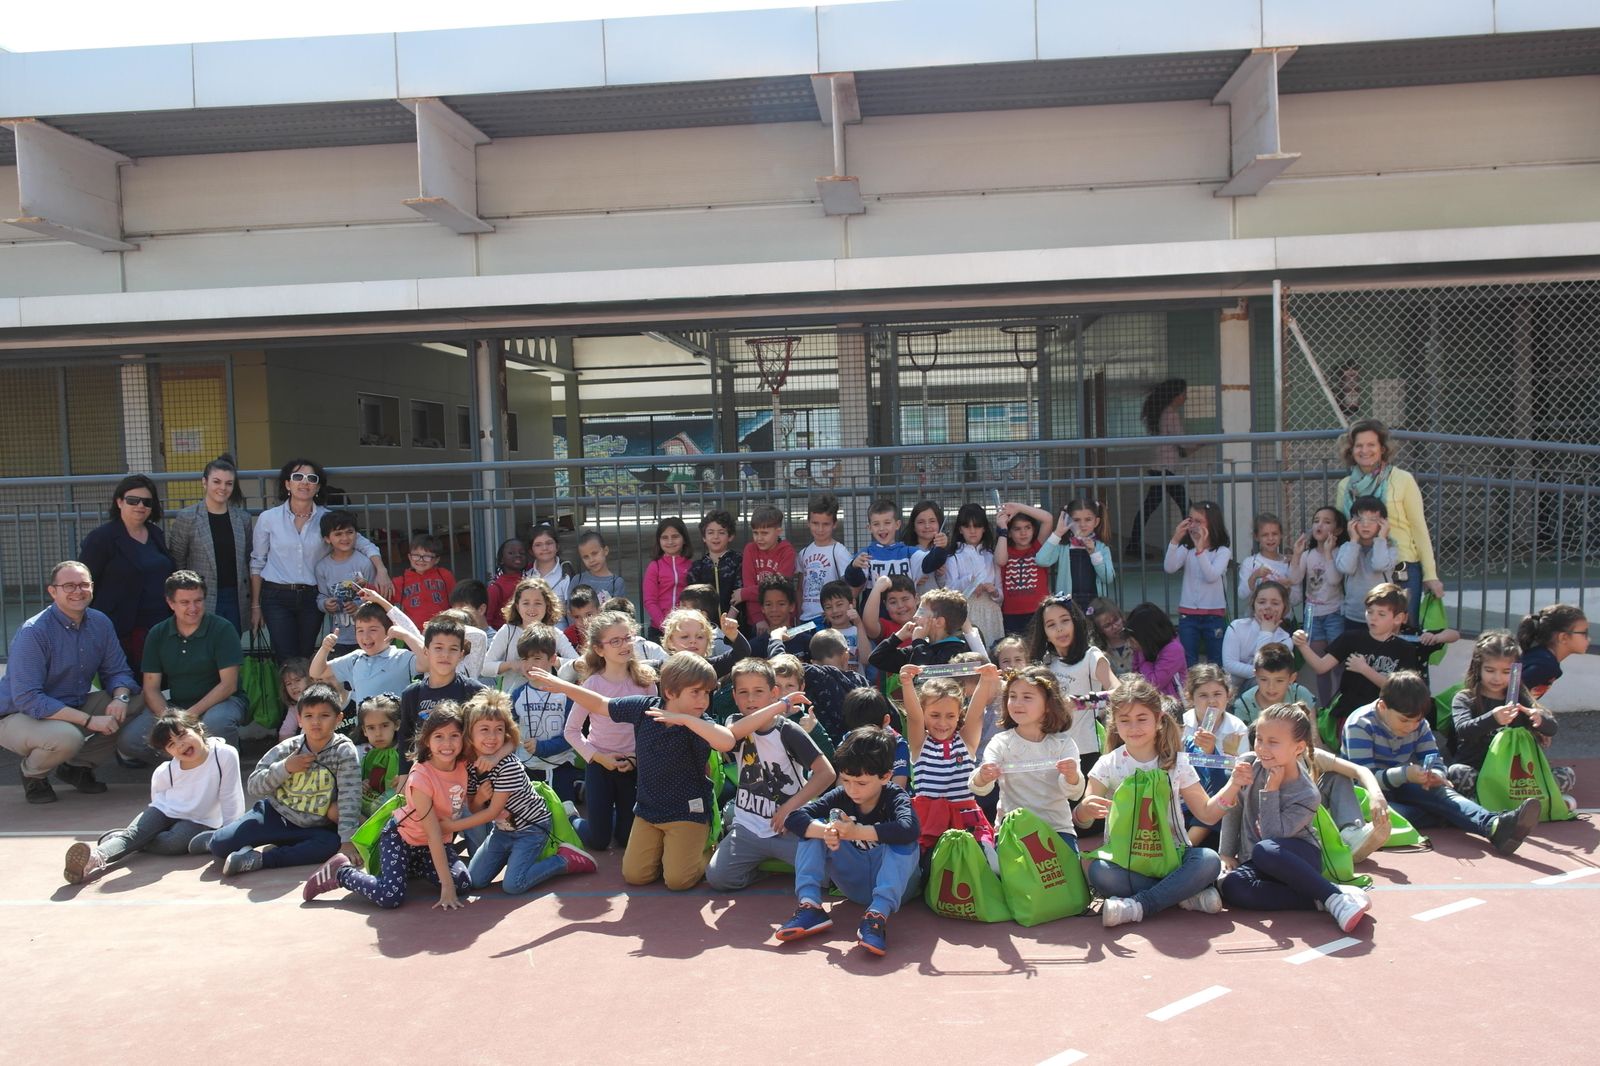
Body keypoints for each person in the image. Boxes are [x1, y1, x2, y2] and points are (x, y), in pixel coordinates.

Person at [530, 654, 737, 891]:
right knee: (635, 875)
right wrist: (562, 685)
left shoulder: (701, 722)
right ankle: (671, 853)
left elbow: (727, 741)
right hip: (649, 811)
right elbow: (600, 704)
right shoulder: (644, 708)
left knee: (678, 881)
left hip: (688, 812)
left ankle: (708, 849)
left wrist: (683, 719)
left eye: (706, 693)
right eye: (695, 693)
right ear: (670, 692)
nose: (703, 701)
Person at [1078, 675, 1241, 928]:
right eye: (1125, 720)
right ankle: (1185, 895)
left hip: (1173, 856)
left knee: (1208, 860)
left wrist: (1234, 785)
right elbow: (1083, 817)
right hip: (1127, 860)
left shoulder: (1177, 762)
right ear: (1115, 724)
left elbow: (1207, 814)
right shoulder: (1108, 764)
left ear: (1158, 720)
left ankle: (1139, 905)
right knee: (1098, 871)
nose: (1134, 727)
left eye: (1142, 719)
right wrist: (1085, 810)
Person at [1343, 671, 1540, 855]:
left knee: (1441, 793)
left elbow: (1433, 756)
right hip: (1365, 795)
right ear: (1383, 706)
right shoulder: (1360, 724)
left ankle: (1495, 825)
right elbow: (1364, 780)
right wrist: (1406, 774)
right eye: (1404, 721)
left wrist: (1437, 774)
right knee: (1394, 816)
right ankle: (1451, 814)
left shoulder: (1419, 723)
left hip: (1402, 783)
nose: (1412, 728)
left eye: (1417, 721)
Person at [1218, 703, 1373, 931]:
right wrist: (1226, 853)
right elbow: (1233, 807)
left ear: (1298, 748)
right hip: (1256, 859)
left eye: (1273, 742)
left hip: (1297, 858)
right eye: (1259, 739)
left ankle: (1335, 898)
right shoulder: (1250, 763)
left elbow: (1272, 836)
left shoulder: (1307, 794)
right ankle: (1320, 897)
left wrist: (1271, 790)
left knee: (1265, 849)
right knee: (1233, 887)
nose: (1262, 748)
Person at [301, 702, 471, 909]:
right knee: (390, 896)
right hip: (401, 838)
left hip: (429, 846)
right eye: (439, 736)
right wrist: (446, 887)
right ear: (426, 741)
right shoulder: (420, 777)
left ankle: (410, 867)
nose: (448, 743)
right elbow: (433, 832)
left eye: (454, 735)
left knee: (462, 882)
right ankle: (341, 872)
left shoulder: (463, 765)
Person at [0, 561, 143, 803]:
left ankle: (77, 767)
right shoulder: (34, 632)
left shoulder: (100, 622)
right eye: (68, 585)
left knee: (137, 702)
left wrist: (120, 697)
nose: (78, 591)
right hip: (18, 715)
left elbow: (117, 670)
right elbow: (29, 698)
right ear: (52, 591)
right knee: (68, 737)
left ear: (92, 587)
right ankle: (33, 775)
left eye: (83, 584)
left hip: (70, 703)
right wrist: (89, 720)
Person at [773, 726, 922, 956]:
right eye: (846, 780)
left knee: (904, 839)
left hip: (900, 889)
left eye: (861, 783)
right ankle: (810, 906)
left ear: (885, 776)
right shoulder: (841, 796)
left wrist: (856, 832)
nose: (852, 789)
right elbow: (793, 818)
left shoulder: (894, 796)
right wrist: (828, 831)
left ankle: (876, 916)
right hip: (854, 885)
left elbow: (909, 828)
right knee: (813, 828)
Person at [62, 713, 245, 884]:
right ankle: (92, 860)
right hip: (165, 810)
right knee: (136, 833)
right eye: (171, 744)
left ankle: (123, 839)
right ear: (168, 752)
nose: (179, 745)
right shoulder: (165, 771)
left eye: (182, 735)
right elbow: (158, 798)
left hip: (199, 820)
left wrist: (231, 835)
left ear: (198, 729)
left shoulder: (224, 754)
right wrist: (149, 825)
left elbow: (231, 796)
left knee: (172, 843)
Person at [705, 659, 835, 892]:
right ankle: (758, 868)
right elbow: (731, 737)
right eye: (743, 693)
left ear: (774, 693)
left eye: (758, 692)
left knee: (829, 878)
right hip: (747, 827)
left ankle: (791, 858)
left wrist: (789, 809)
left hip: (787, 826)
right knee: (718, 878)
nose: (751, 699)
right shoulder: (735, 724)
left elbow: (826, 773)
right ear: (734, 696)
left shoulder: (788, 731)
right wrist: (780, 705)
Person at [208, 682, 362, 876]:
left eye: (324, 716)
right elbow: (254, 786)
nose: (316, 722)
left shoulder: (344, 751)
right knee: (220, 846)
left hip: (315, 825)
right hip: (275, 814)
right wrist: (286, 768)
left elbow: (350, 797)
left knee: (331, 845)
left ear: (338, 718)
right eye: (308, 716)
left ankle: (259, 860)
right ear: (299, 719)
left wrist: (347, 841)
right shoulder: (288, 748)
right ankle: (216, 837)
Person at [454, 690, 596, 896]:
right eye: (484, 729)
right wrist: (479, 798)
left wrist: (452, 826)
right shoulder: (469, 766)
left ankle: (564, 859)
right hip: (503, 831)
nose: (492, 737)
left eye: (498, 730)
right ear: (470, 734)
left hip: (531, 829)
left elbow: (492, 812)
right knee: (475, 880)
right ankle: (513, 857)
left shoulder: (508, 765)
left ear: (505, 733)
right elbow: (474, 807)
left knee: (513, 885)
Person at [250, 458, 392, 661]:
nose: (304, 482)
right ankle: (288, 694)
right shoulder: (268, 518)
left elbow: (363, 544)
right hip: (276, 596)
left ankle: (309, 693)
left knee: (308, 654)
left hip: (311, 596)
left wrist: (381, 570)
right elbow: (257, 561)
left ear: (317, 487)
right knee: (285, 657)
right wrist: (255, 605)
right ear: (287, 484)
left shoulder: (327, 519)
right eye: (298, 477)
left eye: (311, 478)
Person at [120, 570, 248, 763]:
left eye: (198, 600)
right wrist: (169, 722)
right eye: (185, 602)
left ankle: (221, 765)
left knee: (217, 723)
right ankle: (183, 764)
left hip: (222, 702)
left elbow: (228, 685)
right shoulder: (158, 633)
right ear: (170, 603)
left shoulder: (222, 629)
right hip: (176, 706)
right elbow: (151, 688)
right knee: (129, 741)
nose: (193, 608)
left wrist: (187, 718)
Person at [1447, 631, 1575, 805]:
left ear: (1515, 672)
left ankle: (1519, 802)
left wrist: (1540, 719)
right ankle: (1534, 802)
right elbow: (1463, 730)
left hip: (1517, 778)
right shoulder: (1464, 698)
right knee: (1457, 772)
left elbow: (1552, 729)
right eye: (1490, 670)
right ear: (1478, 668)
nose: (1497, 678)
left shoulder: (1520, 698)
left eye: (1506, 671)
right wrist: (1493, 718)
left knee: (1567, 774)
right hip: (1481, 771)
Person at [1334, 419, 1444, 620]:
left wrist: (1430, 574)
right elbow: (1341, 531)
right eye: (1359, 445)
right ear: (1351, 450)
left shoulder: (1402, 479)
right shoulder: (1345, 486)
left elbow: (1419, 528)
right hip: (1362, 571)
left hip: (1401, 569)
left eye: (1371, 445)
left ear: (1382, 449)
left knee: (1402, 632)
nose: (1364, 450)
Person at [969, 665, 1086, 846]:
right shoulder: (1000, 742)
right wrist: (982, 777)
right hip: (1013, 830)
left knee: (1065, 874)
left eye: (1027, 697)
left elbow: (1074, 793)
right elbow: (979, 788)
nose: (1017, 703)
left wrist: (1072, 776)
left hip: (1056, 828)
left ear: (1048, 705)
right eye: (1012, 696)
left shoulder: (1064, 743)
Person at [563, 610, 649, 851]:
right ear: (600, 649)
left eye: (628, 637)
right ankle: (572, 818)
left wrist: (635, 759)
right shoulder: (592, 684)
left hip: (632, 767)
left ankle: (612, 819)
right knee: (599, 841)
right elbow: (571, 731)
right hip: (600, 766)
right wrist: (599, 757)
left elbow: (650, 729)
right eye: (615, 641)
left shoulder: (645, 682)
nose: (624, 645)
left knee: (625, 839)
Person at [1297, 583, 1422, 744]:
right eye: (1370, 612)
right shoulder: (1351, 638)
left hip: (1385, 718)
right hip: (1350, 713)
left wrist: (1365, 669)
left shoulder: (1405, 649)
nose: (1373, 617)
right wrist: (1302, 646)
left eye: (1381, 614)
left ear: (1398, 618)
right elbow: (1321, 667)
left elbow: (1401, 690)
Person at [901, 662, 1001, 862]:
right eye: (935, 715)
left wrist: (986, 680)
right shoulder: (920, 743)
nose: (942, 723)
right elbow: (914, 718)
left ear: (958, 716)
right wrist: (906, 683)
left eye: (950, 716)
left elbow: (976, 712)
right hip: (930, 821)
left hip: (965, 818)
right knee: (930, 869)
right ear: (924, 713)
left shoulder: (966, 742)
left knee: (989, 864)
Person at [79, 473, 176, 668]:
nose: (140, 506)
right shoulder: (102, 538)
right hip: (122, 629)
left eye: (147, 502)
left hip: (160, 624)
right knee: (130, 685)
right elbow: (84, 582)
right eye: (133, 500)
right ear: (119, 502)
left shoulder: (156, 534)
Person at [166, 454, 254, 631]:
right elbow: (177, 560)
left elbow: (247, 559)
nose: (223, 488)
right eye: (217, 482)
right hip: (199, 597)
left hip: (235, 597)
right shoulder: (187, 517)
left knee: (230, 649)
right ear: (205, 482)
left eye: (229, 483)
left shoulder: (242, 519)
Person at [1028, 595, 1115, 773]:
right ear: (1044, 632)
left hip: (1086, 750)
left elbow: (1119, 694)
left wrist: (1078, 703)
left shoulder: (1091, 656)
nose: (1059, 629)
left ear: (1076, 622)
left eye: (1065, 621)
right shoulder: (1044, 663)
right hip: (1047, 751)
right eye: (1051, 624)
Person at [309, 588, 424, 722]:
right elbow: (316, 672)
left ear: (389, 631)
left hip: (397, 732)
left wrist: (404, 635)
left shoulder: (402, 657)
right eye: (360, 630)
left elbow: (428, 661)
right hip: (365, 735)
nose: (366, 636)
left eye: (373, 630)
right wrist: (324, 648)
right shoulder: (354, 659)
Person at [396, 615, 486, 772]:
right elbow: (406, 739)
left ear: (461, 654)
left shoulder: (475, 692)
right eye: (438, 648)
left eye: (453, 649)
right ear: (426, 651)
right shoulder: (411, 694)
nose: (445, 655)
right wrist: (404, 774)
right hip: (425, 776)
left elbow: (501, 729)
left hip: (468, 776)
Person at [507, 626, 581, 801]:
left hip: (560, 767)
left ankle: (578, 786)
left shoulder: (566, 694)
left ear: (553, 659)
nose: (529, 665)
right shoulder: (517, 695)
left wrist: (543, 747)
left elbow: (572, 735)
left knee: (563, 816)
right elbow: (508, 730)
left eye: (537, 658)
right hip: (527, 767)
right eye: (524, 659)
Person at [845, 498, 951, 614]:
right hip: (875, 620)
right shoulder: (865, 554)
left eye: (887, 523)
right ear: (869, 528)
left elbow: (930, 563)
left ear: (897, 524)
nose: (882, 528)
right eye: (876, 524)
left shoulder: (909, 552)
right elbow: (855, 581)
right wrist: (854, 566)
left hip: (906, 617)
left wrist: (941, 547)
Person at [1288, 505, 1348, 707]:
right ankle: (1325, 707)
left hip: (1334, 613)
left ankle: (1339, 706)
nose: (1319, 525)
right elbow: (1294, 578)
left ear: (1338, 530)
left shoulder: (1340, 552)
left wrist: (1329, 553)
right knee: (1319, 666)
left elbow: (1333, 579)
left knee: (1339, 664)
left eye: (1326, 521)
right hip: (1312, 614)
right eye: (1316, 521)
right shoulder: (1308, 554)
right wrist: (1296, 554)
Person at [1126, 378, 1191, 556]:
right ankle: (1193, 545)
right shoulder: (1171, 414)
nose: (1186, 398)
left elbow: (1179, 447)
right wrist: (1203, 443)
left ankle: (1133, 545)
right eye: (1184, 394)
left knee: (1149, 508)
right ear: (1176, 396)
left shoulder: (1164, 413)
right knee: (1187, 506)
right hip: (1165, 470)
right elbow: (1183, 444)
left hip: (1160, 468)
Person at [1164, 501, 1232, 667]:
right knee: (1188, 659)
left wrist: (1200, 550)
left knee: (1216, 659)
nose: (1193, 525)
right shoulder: (1187, 548)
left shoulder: (1222, 551)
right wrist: (1175, 540)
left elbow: (1212, 575)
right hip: (1188, 614)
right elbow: (1169, 567)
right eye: (1191, 520)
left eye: (1199, 521)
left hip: (1214, 614)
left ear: (1212, 524)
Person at [483, 576, 577, 681]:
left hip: (545, 694)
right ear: (518, 607)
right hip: (511, 695)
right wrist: (511, 665)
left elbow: (578, 663)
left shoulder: (554, 634)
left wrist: (552, 661)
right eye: (526, 603)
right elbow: (484, 667)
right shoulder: (508, 631)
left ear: (547, 606)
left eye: (538, 603)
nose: (531, 608)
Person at [312, 509, 373, 657]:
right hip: (339, 637)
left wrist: (358, 606)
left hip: (369, 637)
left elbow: (376, 597)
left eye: (349, 532)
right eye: (338, 534)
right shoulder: (322, 567)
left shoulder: (365, 563)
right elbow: (321, 596)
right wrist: (325, 604)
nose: (345, 538)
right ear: (327, 539)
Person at [1036, 498, 1115, 611]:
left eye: (1088, 519)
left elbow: (1108, 578)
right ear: (1068, 521)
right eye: (1076, 520)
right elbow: (1041, 560)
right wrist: (1058, 533)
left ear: (1096, 522)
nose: (1082, 524)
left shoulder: (1101, 547)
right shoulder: (1063, 546)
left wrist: (1094, 553)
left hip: (1095, 603)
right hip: (1068, 603)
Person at [943, 502, 1003, 646]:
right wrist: (969, 581)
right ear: (960, 529)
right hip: (967, 614)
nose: (972, 531)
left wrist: (994, 591)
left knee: (993, 652)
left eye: (977, 526)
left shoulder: (992, 554)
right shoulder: (954, 556)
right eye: (967, 526)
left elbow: (1001, 592)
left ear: (984, 529)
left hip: (991, 612)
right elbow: (949, 589)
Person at [1335, 496, 1397, 637]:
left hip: (1382, 617)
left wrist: (1381, 538)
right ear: (1351, 522)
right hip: (1353, 615)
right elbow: (1347, 568)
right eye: (1360, 519)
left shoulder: (1389, 549)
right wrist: (1354, 541)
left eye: (1373, 520)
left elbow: (1379, 565)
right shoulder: (1346, 547)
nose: (1365, 525)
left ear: (1383, 523)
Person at [994, 500, 1056, 635]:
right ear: (1010, 533)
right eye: (1017, 529)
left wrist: (1019, 508)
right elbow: (1000, 560)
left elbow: (1048, 519)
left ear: (1034, 530)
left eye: (1027, 527)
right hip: (1011, 614)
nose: (1023, 533)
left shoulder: (1038, 547)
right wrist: (1003, 529)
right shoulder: (1005, 549)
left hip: (1038, 611)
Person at [1220, 580, 1293, 686]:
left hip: (1263, 687)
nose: (1268, 607)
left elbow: (1266, 667)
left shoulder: (1285, 640)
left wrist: (1266, 632)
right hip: (1233, 687)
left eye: (1275, 603)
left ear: (1284, 607)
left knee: (1261, 682)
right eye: (1262, 602)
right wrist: (1259, 672)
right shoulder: (1237, 627)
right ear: (1254, 604)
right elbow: (1229, 665)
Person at [795, 493, 853, 624]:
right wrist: (799, 615)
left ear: (834, 524)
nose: (820, 529)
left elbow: (850, 586)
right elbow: (800, 588)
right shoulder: (803, 553)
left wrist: (839, 612)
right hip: (806, 618)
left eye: (826, 524)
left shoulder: (839, 551)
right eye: (815, 523)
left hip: (828, 618)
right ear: (808, 523)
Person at [1229, 642, 1317, 728]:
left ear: (1292, 678)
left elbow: (1314, 738)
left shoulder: (1300, 696)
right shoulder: (1244, 706)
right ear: (1255, 676)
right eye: (1264, 679)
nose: (1271, 687)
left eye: (1279, 680)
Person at [1516, 604, 1589, 700]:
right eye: (1584, 633)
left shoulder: (1543, 659)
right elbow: (1509, 694)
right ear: (1564, 637)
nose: (1589, 638)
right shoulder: (1545, 665)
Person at [739, 505, 796, 619]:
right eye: (755, 533)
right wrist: (758, 619)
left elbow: (779, 589)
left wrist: (744, 594)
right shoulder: (750, 549)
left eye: (764, 533)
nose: (759, 538)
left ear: (778, 531)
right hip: (757, 619)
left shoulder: (787, 551)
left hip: (783, 617)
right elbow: (749, 584)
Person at [1124, 601, 1187, 697]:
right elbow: (1135, 674)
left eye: (1132, 641)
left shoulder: (1174, 650)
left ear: (1147, 637)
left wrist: (1144, 656)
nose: (1130, 645)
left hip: (1172, 705)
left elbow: (1154, 684)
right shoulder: (1141, 647)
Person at [643, 517, 694, 636]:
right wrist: (665, 625)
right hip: (659, 629)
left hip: (685, 628)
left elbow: (695, 599)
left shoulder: (692, 566)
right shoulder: (655, 566)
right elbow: (649, 601)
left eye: (675, 536)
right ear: (659, 541)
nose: (670, 541)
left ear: (684, 539)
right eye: (665, 537)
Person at [396, 535, 455, 631]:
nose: (421, 560)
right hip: (413, 632)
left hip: (442, 629)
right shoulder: (401, 581)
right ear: (409, 557)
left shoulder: (445, 575)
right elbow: (380, 593)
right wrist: (364, 584)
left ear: (436, 559)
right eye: (416, 556)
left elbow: (455, 601)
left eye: (427, 557)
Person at [1235, 513, 1296, 606]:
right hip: (1256, 619)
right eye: (1265, 535)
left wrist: (1288, 589)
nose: (1270, 538)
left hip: (1283, 619)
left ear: (1281, 535)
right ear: (1256, 537)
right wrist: (1254, 577)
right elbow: (1242, 595)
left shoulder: (1288, 563)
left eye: (1274, 534)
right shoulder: (1250, 563)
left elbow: (1297, 599)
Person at [900, 500, 950, 595]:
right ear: (913, 526)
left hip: (936, 606)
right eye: (921, 522)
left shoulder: (945, 550)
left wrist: (941, 575)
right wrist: (912, 582)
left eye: (932, 521)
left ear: (939, 523)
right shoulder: (903, 550)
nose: (927, 526)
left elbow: (947, 588)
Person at [523, 524, 575, 606]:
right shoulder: (526, 576)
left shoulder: (566, 575)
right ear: (531, 550)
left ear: (557, 546)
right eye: (538, 545)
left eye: (549, 543)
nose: (544, 548)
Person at [576, 529, 627, 603]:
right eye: (586, 557)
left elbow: (619, 612)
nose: (591, 560)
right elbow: (570, 610)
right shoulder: (577, 580)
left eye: (594, 553)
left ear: (605, 550)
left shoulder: (616, 583)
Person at [485, 537, 528, 624]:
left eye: (522, 553)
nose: (518, 555)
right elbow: (487, 619)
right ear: (501, 560)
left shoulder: (532, 580)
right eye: (511, 553)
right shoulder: (496, 588)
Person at [1087, 598, 1133, 676]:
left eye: (1116, 620)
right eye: (1107, 625)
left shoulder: (1135, 641)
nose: (1115, 626)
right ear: (1099, 629)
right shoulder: (1098, 650)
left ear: (1121, 616)